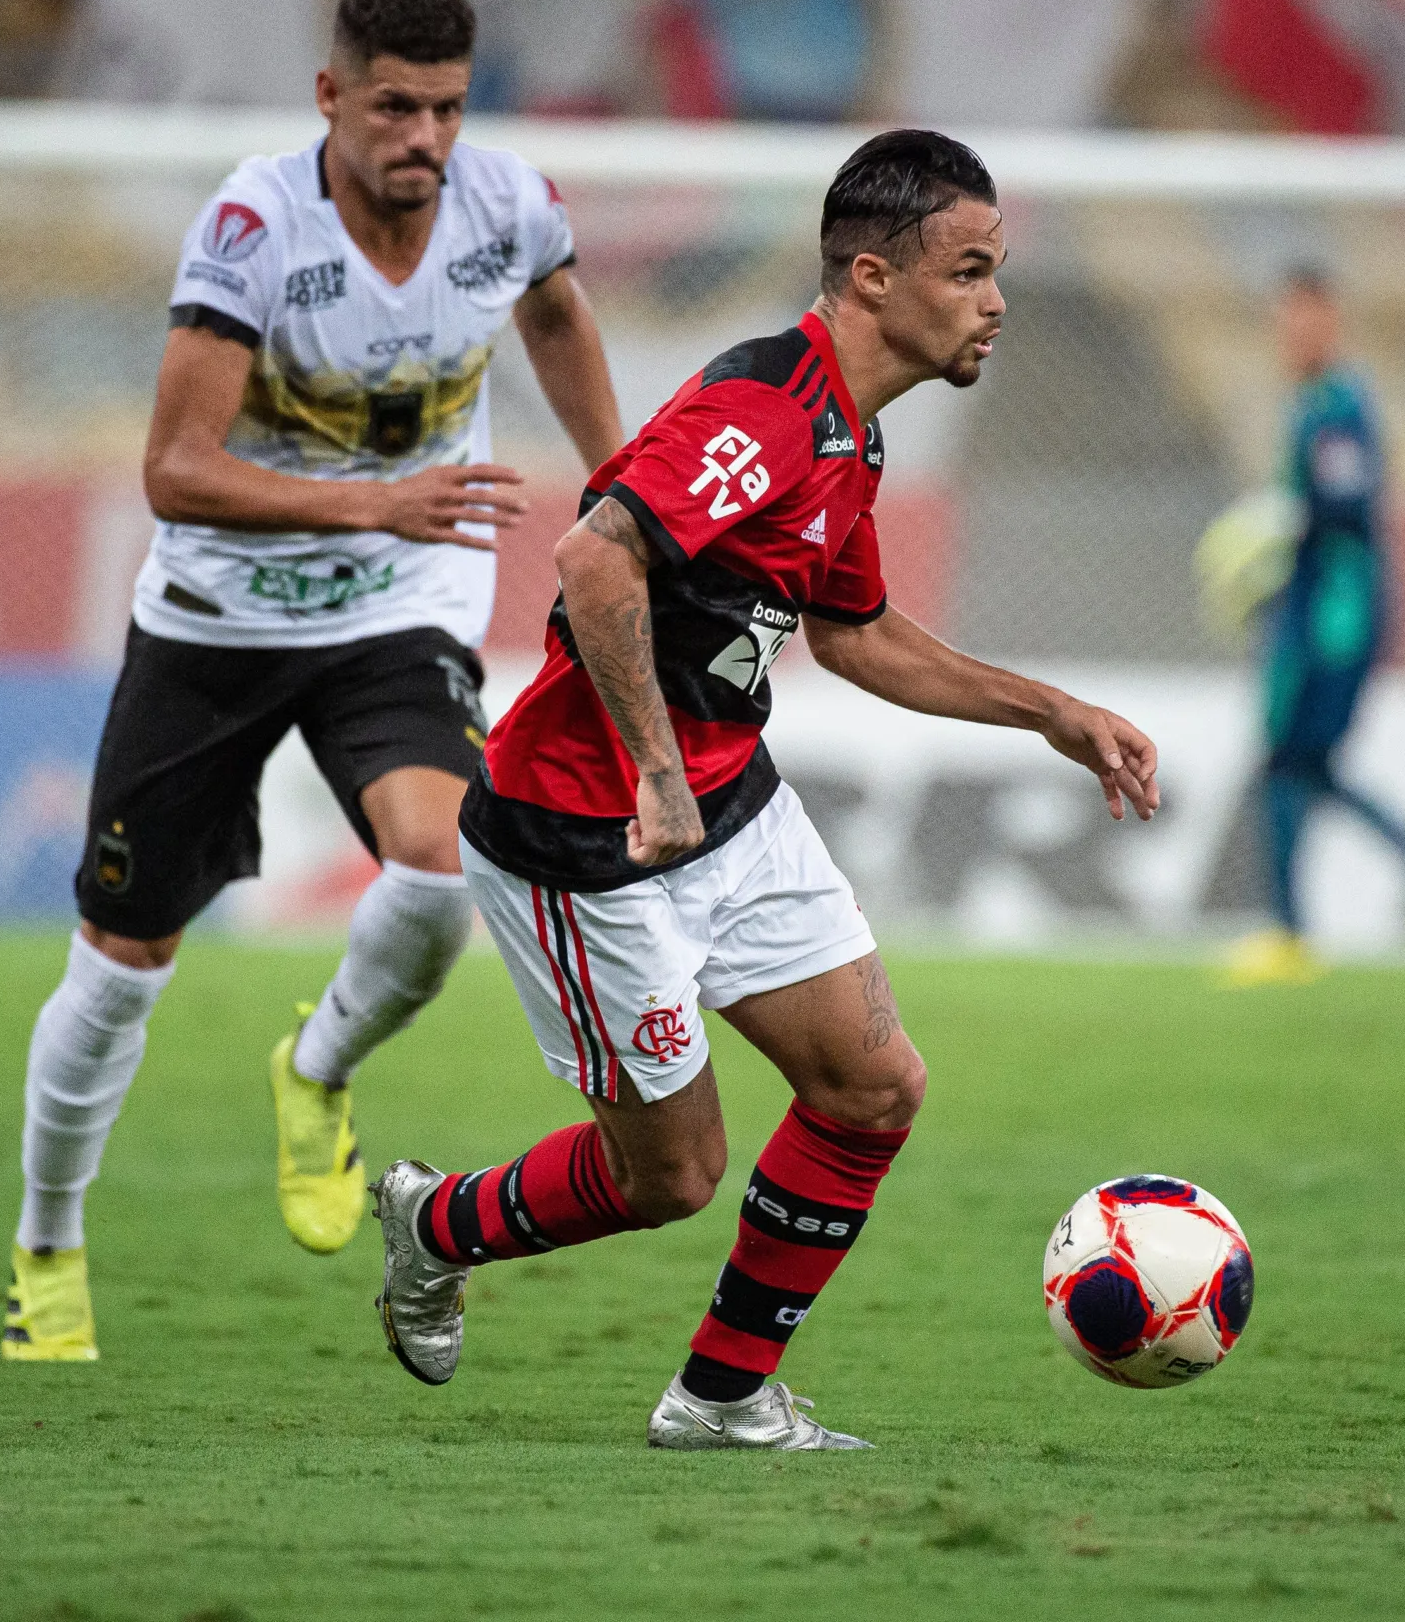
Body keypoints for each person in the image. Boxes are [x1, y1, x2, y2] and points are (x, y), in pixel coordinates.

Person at [367, 130, 1162, 1449]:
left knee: (875, 1089)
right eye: (969, 271)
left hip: (733, 814)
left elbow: (854, 633)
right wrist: (659, 778)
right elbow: (593, 562)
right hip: (590, 837)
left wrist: (1052, 713)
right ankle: (433, 1222)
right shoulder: (764, 416)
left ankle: (720, 1398)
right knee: (672, 1176)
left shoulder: (851, 437)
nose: (996, 300)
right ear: (872, 278)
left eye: (999, 270)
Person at [2, 0, 625, 1361]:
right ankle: (47, 1244)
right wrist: (370, 500)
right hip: (217, 624)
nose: (425, 137)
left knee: (441, 860)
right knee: (119, 965)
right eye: (395, 106)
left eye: (449, 109)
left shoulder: (508, 206)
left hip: (396, 609)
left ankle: (317, 1066)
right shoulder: (252, 228)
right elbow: (174, 468)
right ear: (331, 98)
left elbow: (555, 314)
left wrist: (619, 486)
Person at [1219, 267, 1405, 986]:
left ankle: (1294, 931)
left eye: (1303, 318)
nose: (1290, 334)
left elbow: (1340, 512)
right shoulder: (1317, 404)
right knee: (1307, 769)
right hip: (1316, 618)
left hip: (1329, 625)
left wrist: (1270, 542)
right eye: (1283, 319)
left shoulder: (1337, 409)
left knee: (1284, 765)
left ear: (1330, 321)